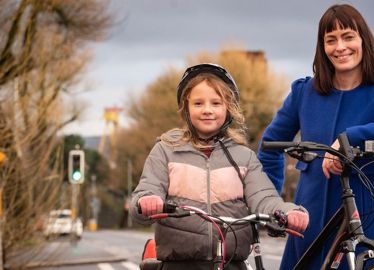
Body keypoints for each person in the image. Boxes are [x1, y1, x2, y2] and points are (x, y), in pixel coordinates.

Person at [257, 4, 374, 270]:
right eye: (331, 40)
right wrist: (273, 203)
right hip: (312, 217)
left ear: (363, 41)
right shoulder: (303, 93)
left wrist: (349, 138)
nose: (340, 47)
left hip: (369, 216)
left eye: (348, 36)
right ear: (323, 47)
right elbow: (269, 146)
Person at [129, 63, 309, 270]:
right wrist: (147, 201)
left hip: (231, 263)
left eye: (216, 103)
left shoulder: (244, 157)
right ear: (186, 108)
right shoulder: (165, 150)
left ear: (228, 108)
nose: (207, 110)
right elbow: (147, 190)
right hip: (179, 264)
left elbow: (264, 197)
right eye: (198, 103)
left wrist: (287, 211)